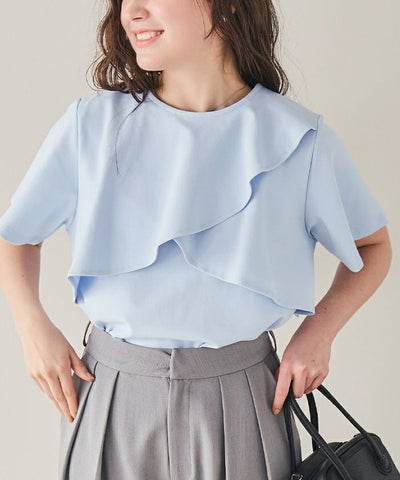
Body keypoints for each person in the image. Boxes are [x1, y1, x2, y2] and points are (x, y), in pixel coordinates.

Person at [0, 0, 392, 479]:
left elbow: (373, 247)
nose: (131, 11)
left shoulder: (298, 138)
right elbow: (15, 236)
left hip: (246, 400)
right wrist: (31, 328)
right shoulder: (91, 125)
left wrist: (318, 333)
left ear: (227, 6)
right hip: (110, 395)